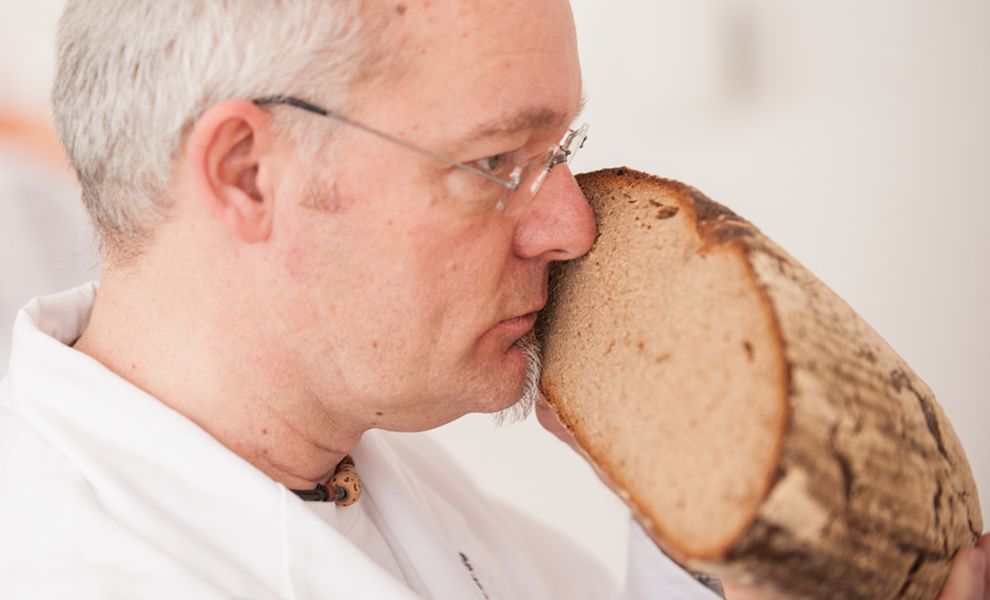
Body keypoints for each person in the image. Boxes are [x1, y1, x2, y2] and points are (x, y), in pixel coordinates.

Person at [0, 1, 986, 598]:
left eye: (561, 153)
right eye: (494, 161)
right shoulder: (77, 575)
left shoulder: (357, 470)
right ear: (250, 173)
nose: (573, 225)